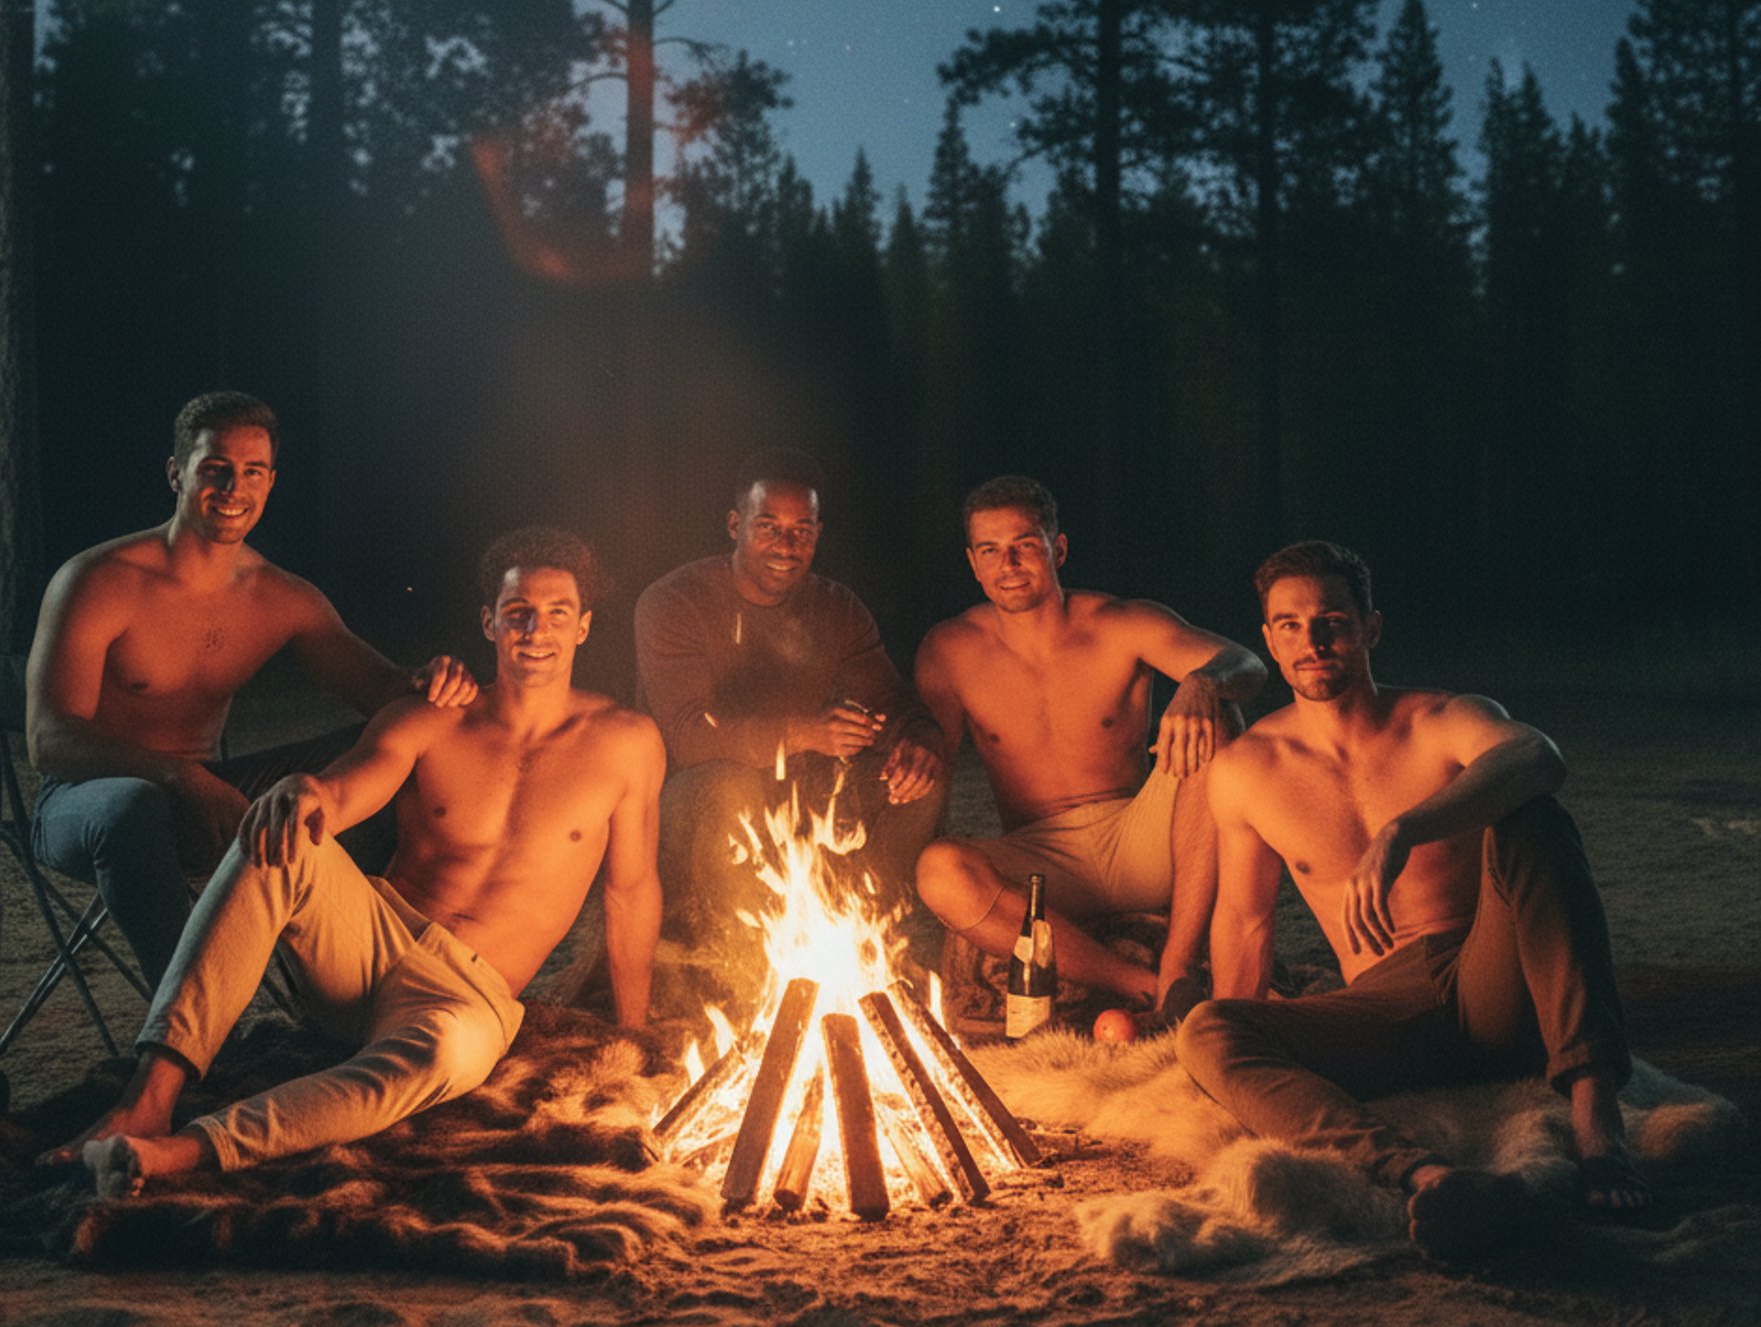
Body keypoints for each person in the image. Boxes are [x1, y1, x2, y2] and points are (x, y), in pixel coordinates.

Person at [48, 528, 664, 1191]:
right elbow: (344, 793)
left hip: (468, 993)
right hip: (367, 944)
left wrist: (635, 1036)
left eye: (556, 614)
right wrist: (306, 794)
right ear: (489, 623)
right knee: (279, 834)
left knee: (449, 1050)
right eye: (518, 613)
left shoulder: (626, 743)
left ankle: (194, 1149)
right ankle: (149, 1100)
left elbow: (629, 891)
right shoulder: (434, 717)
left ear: (584, 628)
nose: (535, 630)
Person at [1177, 538, 1650, 1261]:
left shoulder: (1441, 719)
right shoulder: (1247, 771)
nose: (1314, 640)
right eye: (1292, 625)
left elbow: (1539, 756)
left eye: (1333, 619)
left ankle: (1594, 1114)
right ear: (1270, 641)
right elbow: (1245, 922)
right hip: (1385, 1009)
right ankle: (1431, 1178)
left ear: (1370, 627)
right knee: (1207, 1030)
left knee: (1533, 814)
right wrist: (1243, 1061)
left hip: (1496, 984)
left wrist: (1406, 829)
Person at [26, 391, 475, 988]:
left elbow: (389, 694)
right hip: (86, 806)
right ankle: (186, 1030)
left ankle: (378, 983)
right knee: (134, 806)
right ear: (177, 473)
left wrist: (435, 679)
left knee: (413, 742)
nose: (234, 487)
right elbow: (50, 739)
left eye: (252, 472)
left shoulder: (279, 596)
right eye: (216, 468)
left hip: (212, 799)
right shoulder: (100, 581)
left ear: (269, 482)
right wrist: (181, 776)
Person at [913, 475, 1266, 1017]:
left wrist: (1201, 684)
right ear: (974, 562)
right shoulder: (950, 649)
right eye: (991, 551)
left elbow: (1246, 664)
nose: (1008, 564)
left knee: (1218, 719)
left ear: (1057, 549)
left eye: (1024, 546)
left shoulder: (1121, 623)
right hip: (1042, 863)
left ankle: (1179, 966)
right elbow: (928, 760)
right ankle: (1145, 987)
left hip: (1144, 841)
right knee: (938, 870)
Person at [633, 448, 947, 985]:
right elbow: (688, 739)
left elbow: (896, 704)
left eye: (802, 530)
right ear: (735, 525)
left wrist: (917, 740)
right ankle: (747, 968)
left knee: (918, 784)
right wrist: (807, 731)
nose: (786, 545)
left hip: (800, 786)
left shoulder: (836, 607)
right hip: (695, 797)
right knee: (733, 790)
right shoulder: (674, 602)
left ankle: (865, 945)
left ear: (819, 533)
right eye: (768, 527)